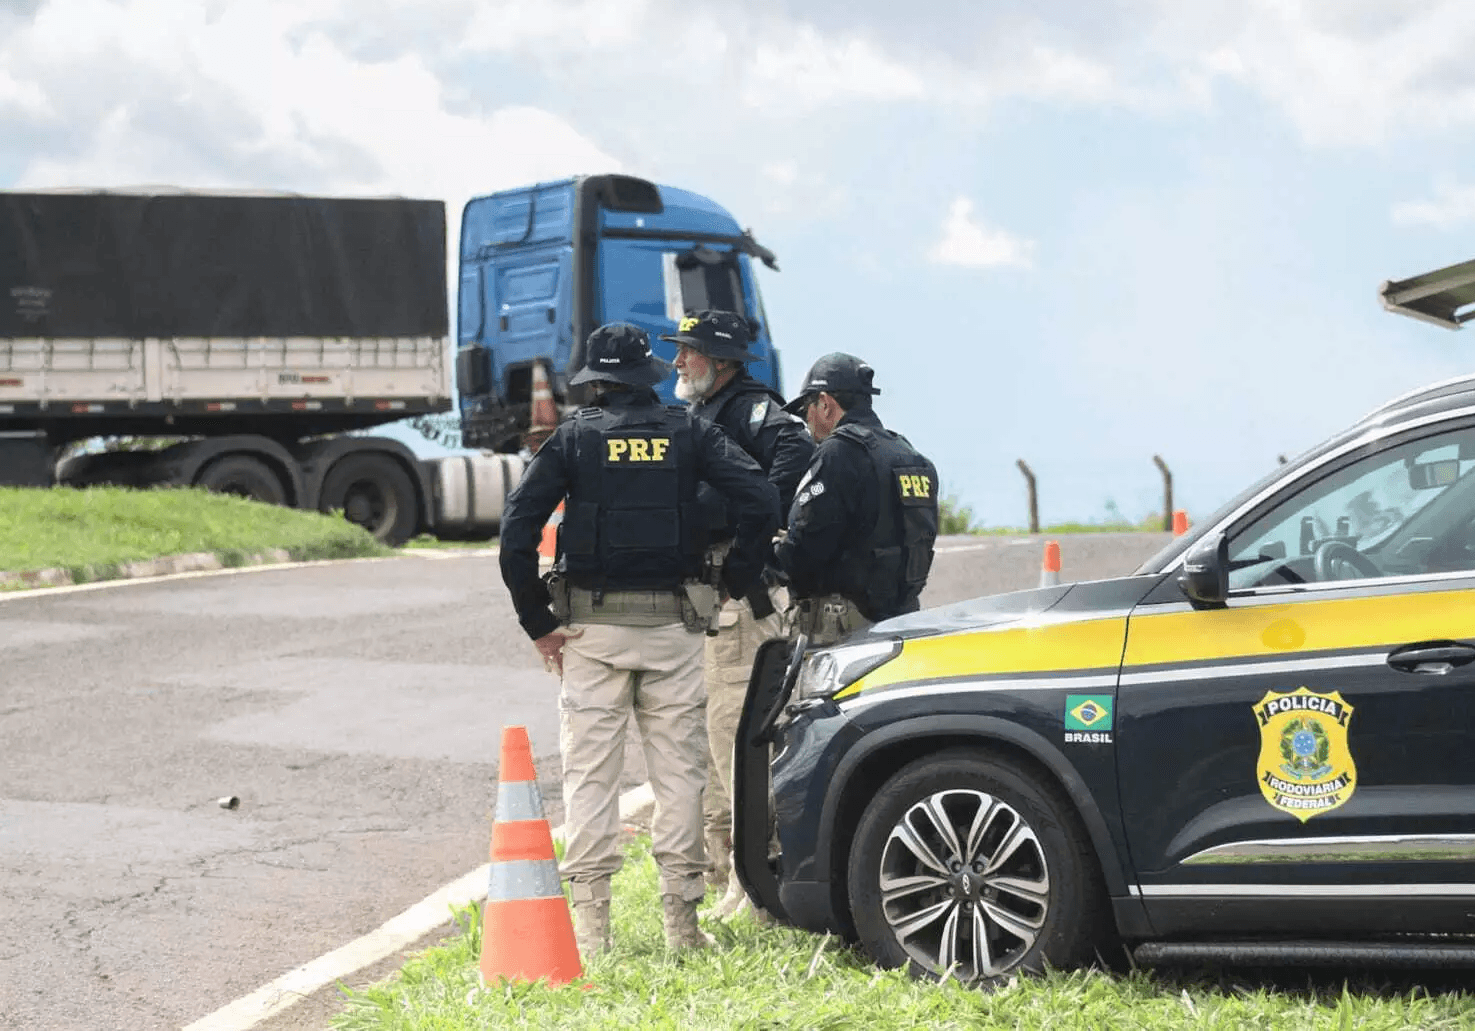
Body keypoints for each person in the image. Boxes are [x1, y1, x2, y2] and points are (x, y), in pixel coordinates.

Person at [498, 322, 779, 957]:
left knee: (591, 776)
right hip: (676, 631)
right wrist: (732, 580)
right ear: (648, 376)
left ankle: (593, 933)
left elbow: (516, 533)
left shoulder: (573, 440)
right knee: (680, 776)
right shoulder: (691, 432)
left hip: (591, 633)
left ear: (596, 382)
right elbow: (761, 498)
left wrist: (539, 624)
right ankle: (681, 927)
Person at [662, 309, 814, 918]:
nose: (677, 362)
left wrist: (748, 543)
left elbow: (793, 456)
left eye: (689, 353)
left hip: (740, 607)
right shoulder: (703, 413)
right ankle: (730, 873)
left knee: (736, 738)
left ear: (721, 362)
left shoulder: (755, 411)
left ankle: (759, 879)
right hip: (707, 602)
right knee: (704, 738)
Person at [775, 352, 940, 646]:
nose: (806, 423)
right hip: (902, 623)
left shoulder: (838, 452)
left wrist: (774, 550)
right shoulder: (910, 456)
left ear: (825, 404)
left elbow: (805, 549)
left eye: (805, 411)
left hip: (843, 629)